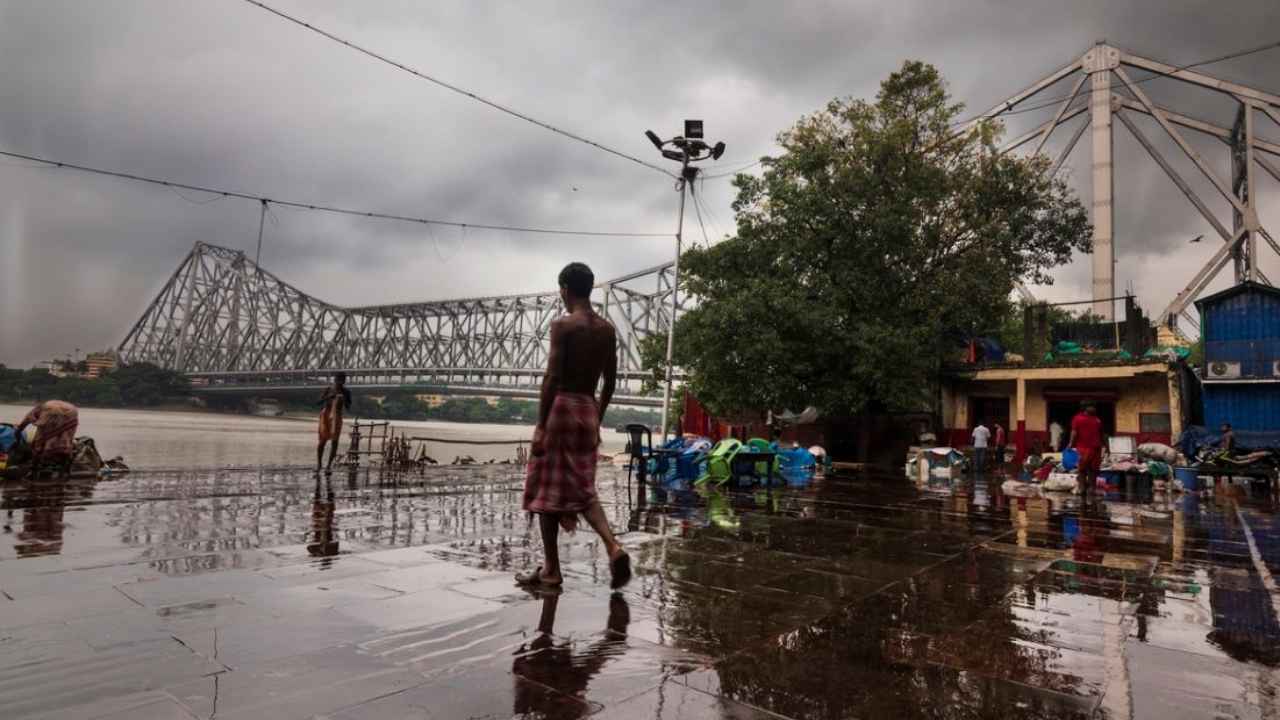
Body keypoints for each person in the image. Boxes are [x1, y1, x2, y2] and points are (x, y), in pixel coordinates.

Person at [519, 262, 630, 590]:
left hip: (562, 409)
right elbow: (610, 380)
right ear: (590, 289)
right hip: (587, 409)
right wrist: (598, 416)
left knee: (545, 491)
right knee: (584, 490)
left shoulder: (563, 326)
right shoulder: (607, 330)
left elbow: (552, 377)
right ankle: (613, 546)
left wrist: (541, 426)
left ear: (565, 289)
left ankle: (551, 569)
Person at [15, 400, 79, 476]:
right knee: (65, 441)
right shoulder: (41, 408)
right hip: (72, 412)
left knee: (39, 443)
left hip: (52, 411)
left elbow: (24, 423)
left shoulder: (36, 411)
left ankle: (34, 469)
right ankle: (65, 469)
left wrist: (18, 432)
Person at [1068, 402, 1104, 505]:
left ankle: (1092, 489)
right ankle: (1082, 488)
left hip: (1096, 448)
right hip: (1083, 448)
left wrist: (1105, 445)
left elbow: (1101, 433)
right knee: (1082, 469)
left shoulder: (1097, 420)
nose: (1093, 408)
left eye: (1094, 407)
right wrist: (1070, 443)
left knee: (1093, 470)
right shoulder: (1078, 418)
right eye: (1091, 406)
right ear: (1085, 408)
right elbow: (1074, 432)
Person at [316, 372, 351, 472]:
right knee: (322, 441)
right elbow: (318, 402)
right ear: (334, 380)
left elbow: (348, 407)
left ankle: (328, 466)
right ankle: (319, 464)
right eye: (338, 380)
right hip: (326, 415)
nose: (340, 383)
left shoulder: (346, 392)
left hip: (337, 416)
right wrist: (329, 397)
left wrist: (344, 400)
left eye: (342, 381)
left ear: (344, 381)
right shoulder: (328, 389)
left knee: (335, 442)